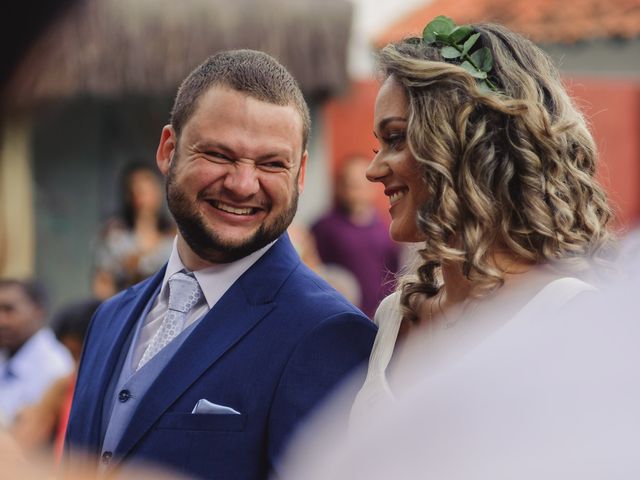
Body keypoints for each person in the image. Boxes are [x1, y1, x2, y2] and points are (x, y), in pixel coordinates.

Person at [278, 17, 620, 480]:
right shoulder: (394, 318)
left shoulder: (573, 321)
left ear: (468, 144)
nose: (373, 170)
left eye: (395, 139)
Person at [64, 49, 376, 480]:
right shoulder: (109, 318)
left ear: (300, 174)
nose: (243, 185)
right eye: (220, 155)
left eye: (271, 163)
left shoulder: (328, 333)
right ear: (168, 149)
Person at [10, 297, 100, 463]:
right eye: (72, 355)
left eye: (82, 354)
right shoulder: (65, 385)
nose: (78, 365)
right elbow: (26, 438)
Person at [312, 155, 400, 317]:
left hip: (382, 315)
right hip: (342, 315)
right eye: (350, 185)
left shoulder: (388, 227)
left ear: (373, 188)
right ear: (340, 187)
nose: (355, 191)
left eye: (360, 185)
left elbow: (396, 272)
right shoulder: (324, 228)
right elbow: (315, 273)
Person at [92, 162, 176, 300]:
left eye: (149, 188)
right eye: (138, 190)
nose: (144, 196)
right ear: (129, 195)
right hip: (124, 305)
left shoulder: (174, 234)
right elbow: (103, 284)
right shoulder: (115, 234)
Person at [0, 279, 74, 427]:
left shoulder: (55, 367)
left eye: (9, 310)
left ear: (38, 311)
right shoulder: (6, 354)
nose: (2, 321)